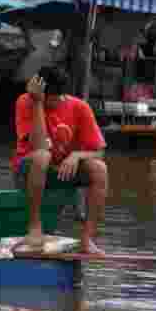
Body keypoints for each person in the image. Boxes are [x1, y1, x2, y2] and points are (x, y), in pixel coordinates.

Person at [13, 65, 108, 254]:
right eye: (49, 98)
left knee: (100, 168)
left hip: (61, 171)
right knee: (43, 155)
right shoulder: (26, 102)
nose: (54, 102)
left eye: (57, 98)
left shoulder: (79, 107)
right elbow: (39, 146)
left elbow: (99, 151)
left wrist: (77, 155)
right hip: (29, 170)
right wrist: (38, 103)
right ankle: (35, 229)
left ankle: (87, 239)